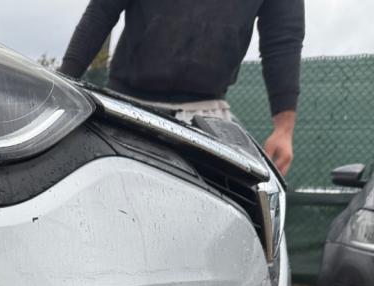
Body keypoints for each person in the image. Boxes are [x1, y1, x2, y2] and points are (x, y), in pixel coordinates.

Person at [58, 0, 305, 174]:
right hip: (125, 108)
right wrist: (62, 86)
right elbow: (102, 10)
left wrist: (283, 129)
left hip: (206, 117)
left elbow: (283, 40)